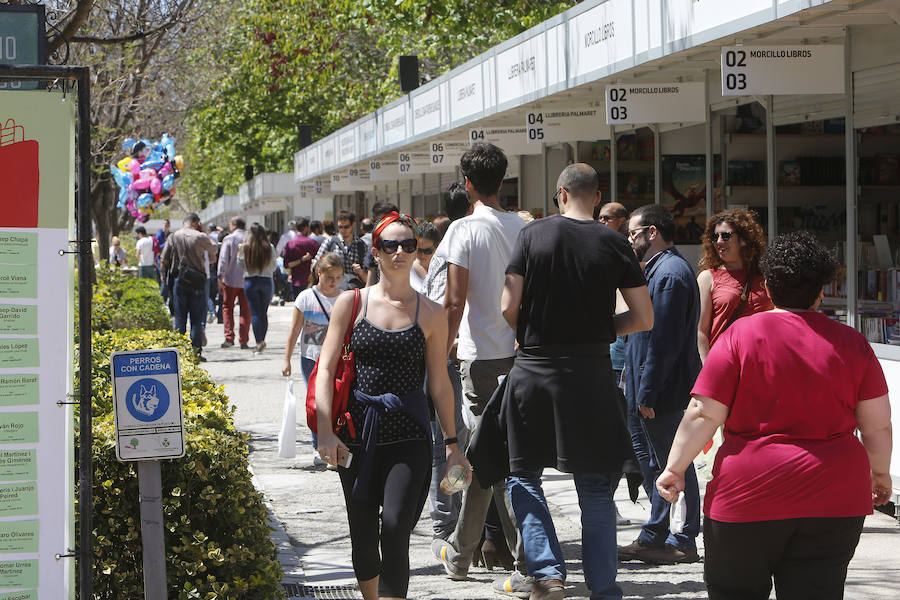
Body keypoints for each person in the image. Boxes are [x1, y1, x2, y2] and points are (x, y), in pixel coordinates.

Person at [657, 231, 893, 600]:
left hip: (748, 494)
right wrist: (879, 473)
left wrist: (674, 468)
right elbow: (876, 423)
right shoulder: (852, 343)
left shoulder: (740, 336)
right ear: (820, 291)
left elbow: (703, 412)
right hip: (836, 495)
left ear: (767, 284)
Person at [500, 164, 653, 600]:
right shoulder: (615, 243)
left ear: (561, 193)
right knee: (593, 482)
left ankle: (548, 575)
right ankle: (603, 585)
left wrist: (529, 333)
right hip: (590, 375)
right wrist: (599, 329)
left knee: (523, 474)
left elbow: (508, 304)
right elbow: (644, 317)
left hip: (533, 370)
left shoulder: (532, 236)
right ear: (598, 195)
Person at [315, 212, 470, 600]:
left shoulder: (431, 313)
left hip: (409, 433)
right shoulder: (351, 303)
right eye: (390, 245)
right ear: (376, 252)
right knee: (364, 537)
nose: (400, 252)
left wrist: (452, 444)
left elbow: (439, 382)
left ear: (418, 251)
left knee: (397, 530)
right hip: (355, 435)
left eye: (408, 245)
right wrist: (324, 430)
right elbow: (325, 369)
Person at [431, 142, 528, 595]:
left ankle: (529, 556)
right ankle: (462, 549)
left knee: (493, 458)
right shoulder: (524, 228)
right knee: (494, 456)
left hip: (480, 358)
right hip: (523, 354)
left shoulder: (462, 231)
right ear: (502, 181)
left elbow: (454, 299)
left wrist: (443, 347)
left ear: (467, 183)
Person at [619, 204, 702, 565]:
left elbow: (663, 342)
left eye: (633, 233)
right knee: (658, 465)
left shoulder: (669, 273)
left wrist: (648, 391)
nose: (628, 239)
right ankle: (656, 533)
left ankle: (683, 537)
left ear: (652, 232)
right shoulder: (655, 270)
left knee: (675, 464)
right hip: (643, 386)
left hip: (661, 393)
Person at [422, 181, 472, 547]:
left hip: (461, 360)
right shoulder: (457, 243)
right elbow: (444, 304)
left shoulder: (455, 242)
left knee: (457, 443)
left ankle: (459, 521)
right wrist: (448, 346)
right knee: (450, 443)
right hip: (454, 361)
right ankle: (447, 521)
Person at [282, 252, 344, 466]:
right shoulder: (305, 297)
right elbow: (294, 329)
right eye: (329, 278)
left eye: (338, 278)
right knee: (317, 404)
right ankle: (319, 446)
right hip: (310, 358)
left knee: (337, 402)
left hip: (336, 358)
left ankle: (336, 445)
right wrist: (286, 359)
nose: (333, 282)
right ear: (319, 273)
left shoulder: (344, 297)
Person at [598, 202, 637, 526]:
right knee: (613, 437)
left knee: (622, 438)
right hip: (610, 360)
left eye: (606, 218)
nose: (601, 222)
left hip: (625, 360)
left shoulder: (622, 254)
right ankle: (606, 502)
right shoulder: (606, 251)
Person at [696, 208, 773, 362]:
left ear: (744, 239)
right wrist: (707, 369)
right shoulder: (707, 277)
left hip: (760, 362)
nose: (718, 241)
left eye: (725, 236)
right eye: (714, 236)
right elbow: (701, 332)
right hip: (724, 362)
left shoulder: (765, 275)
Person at [160, 213, 217, 361]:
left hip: (180, 279)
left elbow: (164, 258)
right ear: (196, 222)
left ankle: (179, 353)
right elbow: (213, 252)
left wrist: (163, 275)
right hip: (197, 279)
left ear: (184, 222)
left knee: (180, 317)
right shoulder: (201, 237)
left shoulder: (173, 236)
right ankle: (196, 352)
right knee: (197, 318)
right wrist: (203, 231)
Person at [238, 223, 277, 354]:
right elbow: (274, 266)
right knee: (263, 312)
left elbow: (240, 265)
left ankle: (259, 341)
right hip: (266, 280)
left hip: (250, 280)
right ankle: (262, 339)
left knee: (254, 313)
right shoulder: (269, 247)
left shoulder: (245, 247)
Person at [218, 217, 251, 349]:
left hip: (230, 280)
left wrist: (220, 276)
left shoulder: (229, 239)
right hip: (247, 279)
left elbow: (224, 259)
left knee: (227, 308)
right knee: (245, 310)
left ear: (234, 225)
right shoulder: (250, 239)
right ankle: (244, 340)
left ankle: (229, 337)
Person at [313, 211, 368, 289]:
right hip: (333, 288)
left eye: (346, 227)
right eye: (340, 227)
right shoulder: (330, 242)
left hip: (353, 288)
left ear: (353, 225)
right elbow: (316, 263)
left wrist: (360, 272)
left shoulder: (361, 245)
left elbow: (368, 277)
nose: (342, 230)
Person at [282, 218, 320, 301]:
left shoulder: (290, 244)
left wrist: (301, 260)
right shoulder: (312, 243)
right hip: (311, 281)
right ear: (306, 228)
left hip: (296, 281)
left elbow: (286, 265)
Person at [363, 201, 399, 287]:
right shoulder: (375, 246)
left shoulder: (409, 244)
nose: (384, 225)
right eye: (380, 221)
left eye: (389, 221)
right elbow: (370, 280)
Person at [410, 222, 439, 293]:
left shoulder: (444, 269)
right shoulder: (406, 269)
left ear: (437, 247)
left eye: (428, 251)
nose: (422, 255)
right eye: (419, 250)